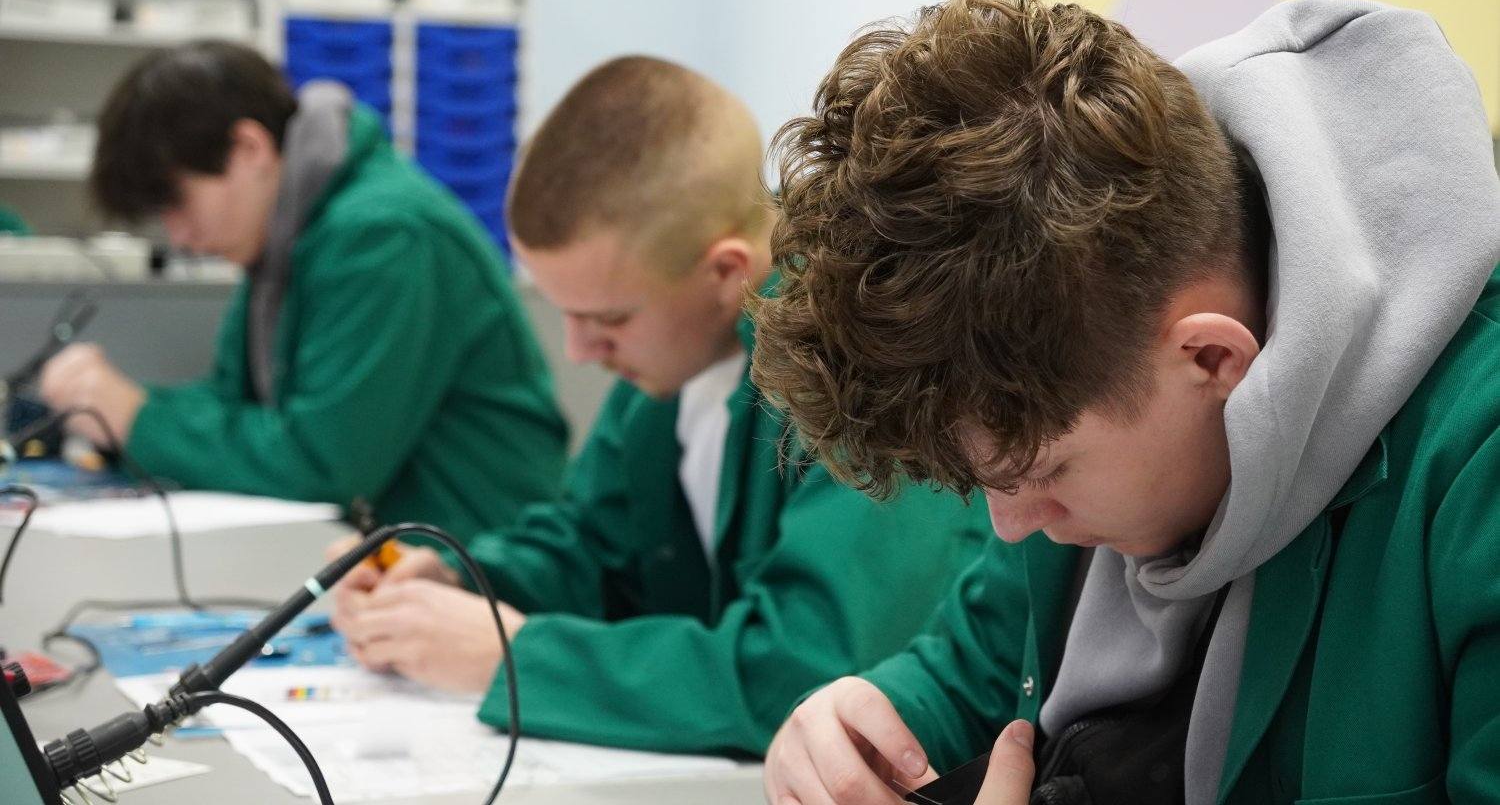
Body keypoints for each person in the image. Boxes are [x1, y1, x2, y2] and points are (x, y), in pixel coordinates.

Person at [750, 0, 1500, 803]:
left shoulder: (1476, 463)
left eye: (1044, 472)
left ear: (1212, 359)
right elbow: (967, 676)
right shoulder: (1068, 413)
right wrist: (852, 731)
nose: (1011, 525)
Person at [330, 56, 990, 755]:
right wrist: (461, 579)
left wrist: (518, 660)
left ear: (725, 272)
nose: (579, 351)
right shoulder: (674, 360)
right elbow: (595, 546)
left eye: (608, 319)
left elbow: (811, 669)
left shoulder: (866, 367)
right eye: (566, 313)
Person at [40, 41, 568, 540]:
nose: (179, 237)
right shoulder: (289, 236)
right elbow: (235, 402)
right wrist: (115, 406)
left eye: (177, 203)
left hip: (471, 557)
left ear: (249, 148)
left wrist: (137, 419)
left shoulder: (381, 235)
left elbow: (324, 465)